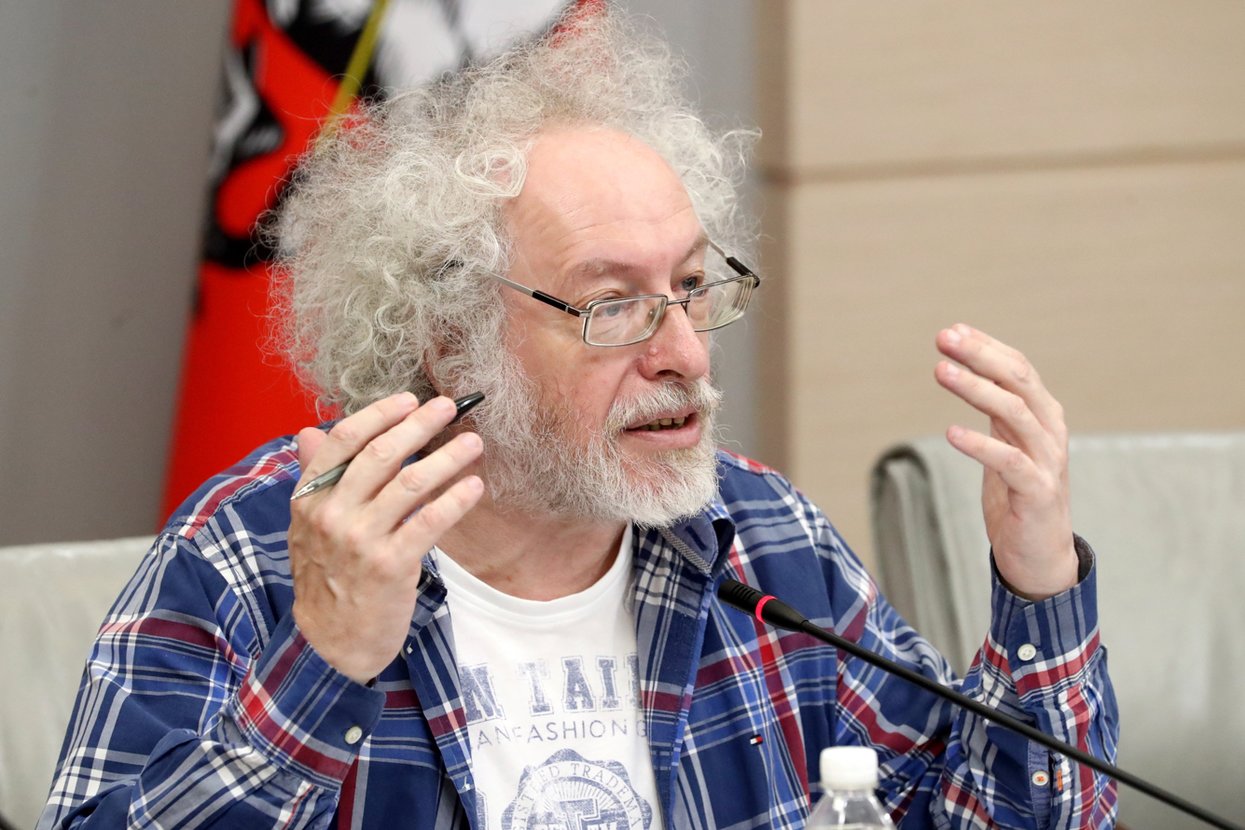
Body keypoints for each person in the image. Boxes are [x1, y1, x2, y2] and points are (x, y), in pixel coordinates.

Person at [40, 8, 1117, 829]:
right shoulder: (254, 553)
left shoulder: (762, 538)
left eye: (691, 287)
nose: (684, 352)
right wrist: (322, 665)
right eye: (611, 306)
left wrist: (1037, 582)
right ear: (450, 337)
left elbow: (986, 814)